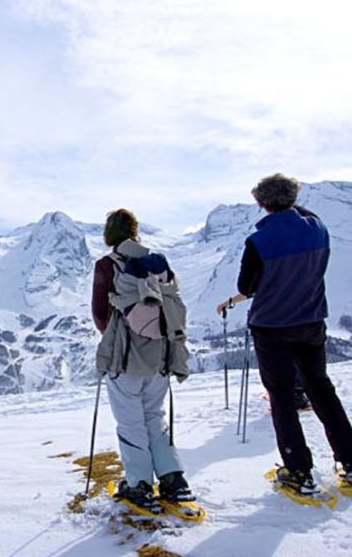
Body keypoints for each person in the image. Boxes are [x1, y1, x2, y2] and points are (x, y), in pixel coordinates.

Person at [216, 173, 352, 495]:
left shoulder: (258, 241)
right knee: (321, 389)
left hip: (273, 327)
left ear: (262, 203)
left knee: (281, 395)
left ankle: (298, 470)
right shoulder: (317, 229)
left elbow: (246, 287)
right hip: (312, 320)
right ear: (294, 198)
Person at [93, 209, 193, 514]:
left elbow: (100, 314)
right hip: (161, 356)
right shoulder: (158, 265)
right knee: (154, 417)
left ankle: (138, 485)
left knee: (131, 421)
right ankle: (174, 479)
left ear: (109, 235)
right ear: (136, 233)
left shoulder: (108, 266)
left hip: (125, 358)